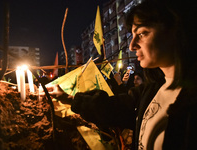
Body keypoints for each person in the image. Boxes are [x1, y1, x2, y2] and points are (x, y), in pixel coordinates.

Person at [45, 0, 197, 149]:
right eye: (132, 35)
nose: (132, 46)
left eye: (142, 33)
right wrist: (67, 98)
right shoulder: (150, 91)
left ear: (175, 30)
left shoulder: (189, 101)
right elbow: (112, 108)